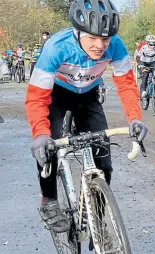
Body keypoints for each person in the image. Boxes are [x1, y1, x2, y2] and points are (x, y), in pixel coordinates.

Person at [25, 0, 148, 234]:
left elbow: (126, 84)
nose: (100, 45)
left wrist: (135, 117)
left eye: (105, 39)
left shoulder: (116, 46)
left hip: (88, 95)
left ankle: (97, 218)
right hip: (56, 94)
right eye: (92, 38)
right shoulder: (56, 47)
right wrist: (40, 133)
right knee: (49, 147)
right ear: (78, 31)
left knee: (103, 160)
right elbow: (36, 98)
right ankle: (49, 200)